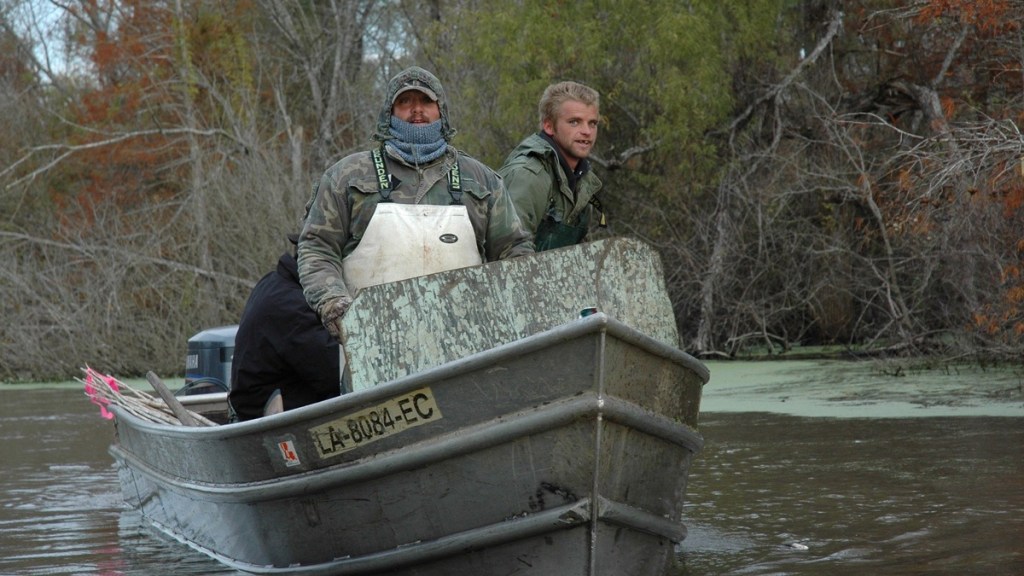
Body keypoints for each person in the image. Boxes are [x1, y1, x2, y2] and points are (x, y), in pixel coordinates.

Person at [298, 66, 534, 341]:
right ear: (390, 112)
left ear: (441, 110)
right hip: (371, 347)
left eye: (425, 101)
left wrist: (504, 310)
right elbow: (317, 247)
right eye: (405, 102)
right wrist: (332, 301)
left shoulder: (481, 180)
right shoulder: (347, 176)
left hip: (467, 346)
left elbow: (515, 252)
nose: (416, 110)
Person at [228, 234, 342, 421]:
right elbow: (337, 374)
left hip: (273, 408)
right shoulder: (290, 307)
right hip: (269, 427)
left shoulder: (275, 283)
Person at [499, 81, 605, 251]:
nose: (587, 131)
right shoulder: (528, 175)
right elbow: (506, 255)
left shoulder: (583, 181)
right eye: (574, 122)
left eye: (592, 123)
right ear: (549, 126)